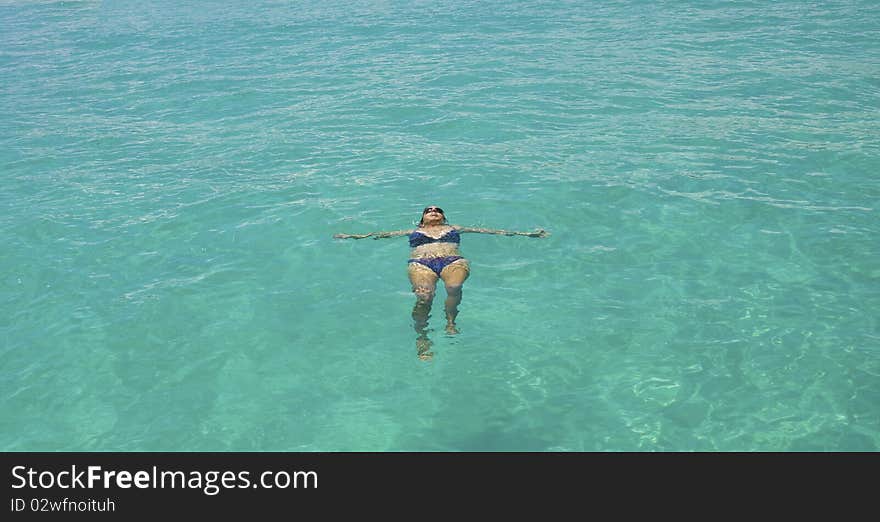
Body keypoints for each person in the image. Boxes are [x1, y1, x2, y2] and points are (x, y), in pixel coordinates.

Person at [334, 206, 548, 360]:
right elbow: (380, 235)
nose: (433, 211)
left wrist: (528, 234)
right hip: (421, 263)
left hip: (453, 261)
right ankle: (422, 336)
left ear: (444, 216)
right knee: (424, 296)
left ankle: (450, 322)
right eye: (429, 210)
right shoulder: (413, 231)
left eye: (437, 209)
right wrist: (351, 236)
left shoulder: (455, 227)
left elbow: (491, 230)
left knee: (454, 287)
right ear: (422, 218)